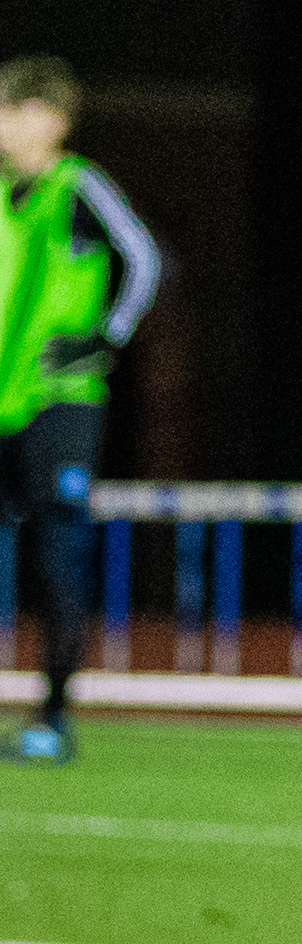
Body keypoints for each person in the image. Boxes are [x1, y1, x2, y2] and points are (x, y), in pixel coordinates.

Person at [1, 56, 160, 764]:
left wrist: (105, 338)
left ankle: (54, 720)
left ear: (50, 119)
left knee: (55, 559)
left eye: (10, 110)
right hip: (3, 406)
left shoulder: (77, 187)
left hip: (60, 406)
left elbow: (145, 261)